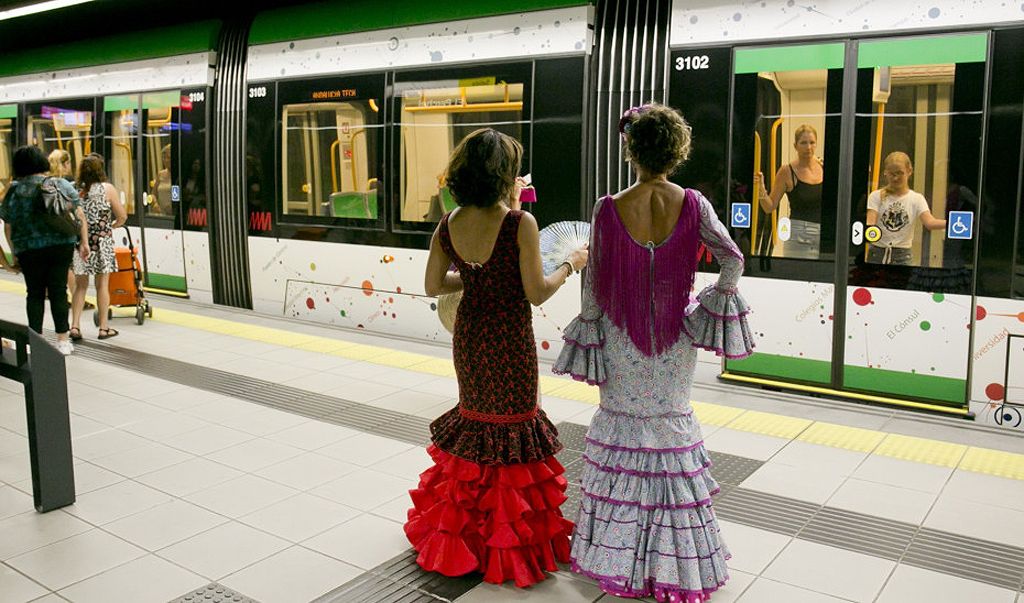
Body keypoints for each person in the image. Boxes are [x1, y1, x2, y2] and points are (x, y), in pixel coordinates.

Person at [554, 103, 755, 602]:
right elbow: (732, 258)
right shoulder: (693, 203)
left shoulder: (607, 208)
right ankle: (675, 561)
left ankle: (617, 557)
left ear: (632, 150)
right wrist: (712, 304)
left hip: (619, 338)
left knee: (622, 441)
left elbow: (594, 283)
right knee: (670, 438)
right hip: (674, 339)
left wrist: (592, 330)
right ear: (677, 151)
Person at [405, 128, 588, 588]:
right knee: (515, 427)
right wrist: (571, 265)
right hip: (509, 341)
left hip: (470, 339)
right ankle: (507, 543)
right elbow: (536, 291)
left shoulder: (448, 223)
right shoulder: (519, 224)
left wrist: (475, 277)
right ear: (504, 175)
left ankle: (462, 535)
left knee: (477, 424)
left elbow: (433, 285)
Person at [0, 146, 89, 355]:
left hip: (28, 248)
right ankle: (62, 341)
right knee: (59, 291)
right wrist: (83, 242)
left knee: (34, 294)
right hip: (60, 245)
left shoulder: (14, 190)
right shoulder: (59, 184)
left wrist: (15, 252)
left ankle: (36, 341)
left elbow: (8, 225)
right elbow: (79, 214)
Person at [69, 154, 127, 340]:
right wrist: (111, 226)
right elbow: (122, 216)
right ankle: (103, 328)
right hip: (102, 242)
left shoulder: (75, 189)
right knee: (102, 285)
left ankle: (75, 326)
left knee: (80, 286)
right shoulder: (107, 189)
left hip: (81, 242)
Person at [754, 124, 823, 259]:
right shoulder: (787, 171)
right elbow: (769, 206)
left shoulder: (822, 166)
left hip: (825, 235)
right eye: (803, 143)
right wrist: (760, 188)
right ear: (795, 146)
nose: (808, 147)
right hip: (799, 235)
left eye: (812, 142)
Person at [866, 151, 946, 266]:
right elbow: (870, 222)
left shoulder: (916, 199)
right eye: (892, 174)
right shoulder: (876, 196)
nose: (895, 178)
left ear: (909, 171)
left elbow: (930, 222)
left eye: (900, 173)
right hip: (877, 252)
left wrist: (952, 223)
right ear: (885, 173)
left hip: (902, 254)